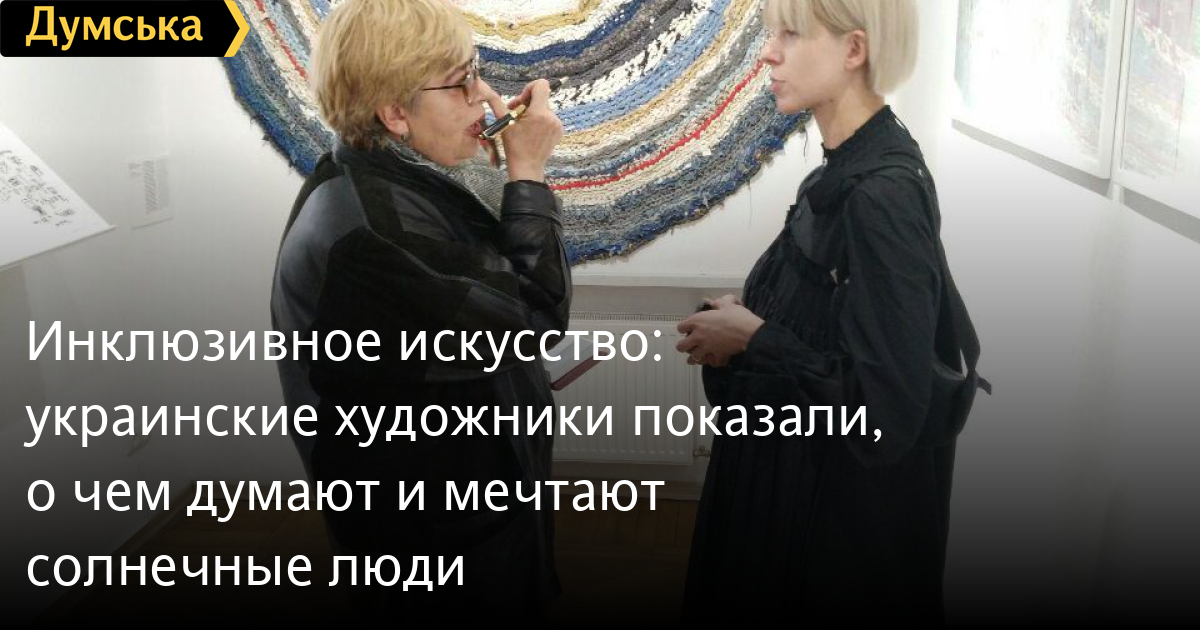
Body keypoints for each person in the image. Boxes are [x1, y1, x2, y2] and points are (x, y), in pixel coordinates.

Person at [269, 0, 569, 621]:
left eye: (475, 72)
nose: (482, 95)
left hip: (467, 504)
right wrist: (528, 172)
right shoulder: (373, 235)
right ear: (395, 113)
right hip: (436, 540)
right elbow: (535, 315)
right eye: (460, 83)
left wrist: (496, 170)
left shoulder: (394, 178)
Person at [677, 0, 956, 624]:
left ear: (854, 49)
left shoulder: (881, 196)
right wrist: (743, 325)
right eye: (770, 34)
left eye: (791, 34)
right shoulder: (840, 174)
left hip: (826, 537)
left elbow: (884, 414)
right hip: (787, 501)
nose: (767, 54)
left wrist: (755, 338)